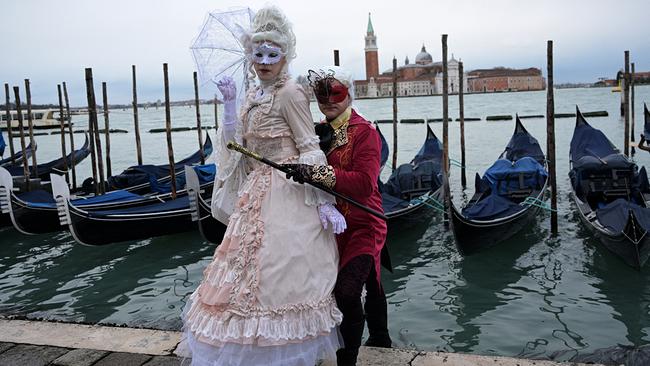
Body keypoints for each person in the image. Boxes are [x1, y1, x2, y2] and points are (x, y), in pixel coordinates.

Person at [183, 6, 345, 366]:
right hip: (257, 192)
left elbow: (308, 146)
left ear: (285, 56)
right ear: (249, 56)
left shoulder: (291, 93)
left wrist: (323, 201)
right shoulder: (253, 96)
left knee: (281, 274)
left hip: (290, 190)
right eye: (258, 54)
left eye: (272, 54)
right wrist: (229, 106)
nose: (264, 61)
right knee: (241, 277)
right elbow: (236, 146)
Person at [284, 66, 392, 366]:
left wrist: (318, 173)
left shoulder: (365, 132)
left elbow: (364, 184)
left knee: (346, 292)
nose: (329, 100)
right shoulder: (317, 132)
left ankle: (348, 359)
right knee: (366, 280)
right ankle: (381, 337)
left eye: (336, 94)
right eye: (322, 95)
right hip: (330, 226)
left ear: (349, 95)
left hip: (365, 224)